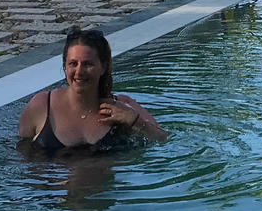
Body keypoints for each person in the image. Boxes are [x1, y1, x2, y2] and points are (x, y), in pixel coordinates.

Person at [19, 26, 167, 153]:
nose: (79, 72)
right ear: (64, 66)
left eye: (88, 64)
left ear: (103, 67)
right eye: (73, 63)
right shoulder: (41, 106)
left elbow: (163, 139)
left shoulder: (123, 107)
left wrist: (134, 121)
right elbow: (20, 153)